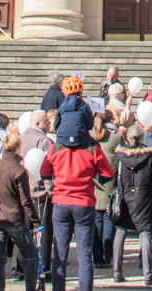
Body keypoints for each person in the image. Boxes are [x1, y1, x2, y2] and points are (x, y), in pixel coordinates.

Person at [39, 109, 114, 291]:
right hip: (84, 203)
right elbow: (108, 173)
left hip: (61, 202)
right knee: (85, 256)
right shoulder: (92, 148)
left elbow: (44, 172)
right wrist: (94, 178)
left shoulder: (55, 148)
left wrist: (53, 186)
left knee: (60, 255)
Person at [0, 128, 41, 291]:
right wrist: (35, 220)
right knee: (30, 256)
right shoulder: (19, 170)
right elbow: (25, 200)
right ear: (18, 148)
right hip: (14, 219)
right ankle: (30, 288)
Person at [112, 124, 152, 285]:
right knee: (145, 234)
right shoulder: (150, 156)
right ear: (142, 137)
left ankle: (117, 272)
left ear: (127, 137)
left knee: (120, 232)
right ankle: (147, 274)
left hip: (125, 198)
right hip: (144, 199)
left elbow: (113, 178)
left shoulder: (120, 156)